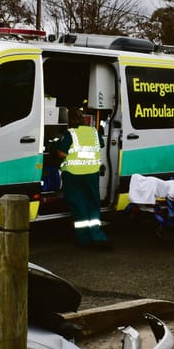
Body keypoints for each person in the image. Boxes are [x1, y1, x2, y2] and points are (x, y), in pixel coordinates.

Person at [57, 106, 110, 250]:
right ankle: (97, 236)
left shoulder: (70, 134)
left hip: (73, 176)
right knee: (93, 203)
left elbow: (61, 153)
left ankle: (84, 239)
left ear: (69, 122)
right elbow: (101, 144)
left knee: (79, 205)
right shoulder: (94, 132)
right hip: (92, 174)